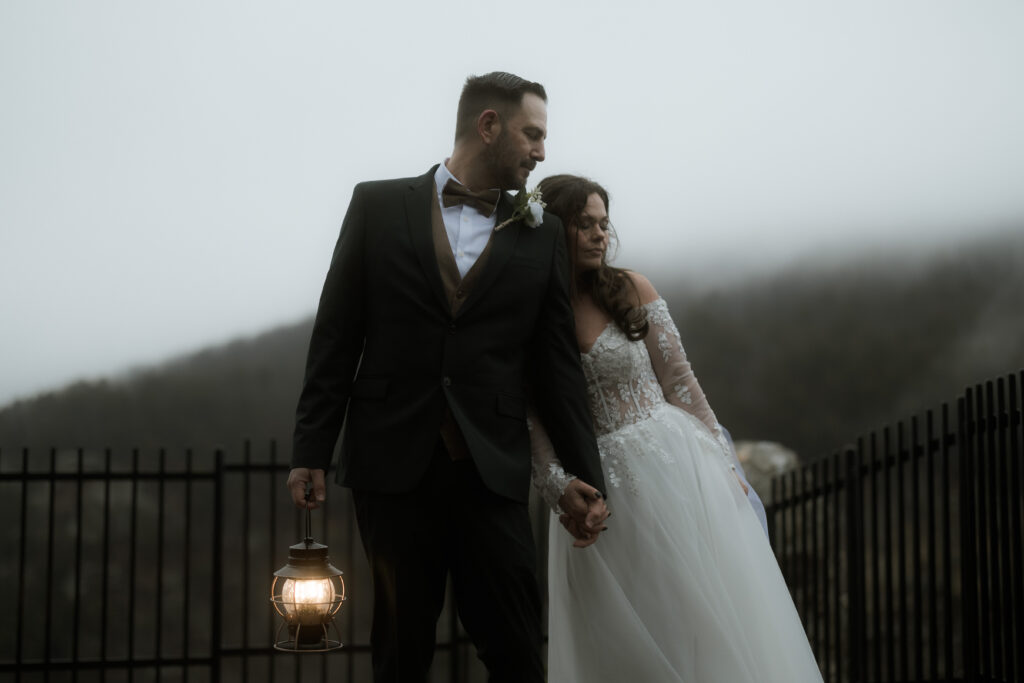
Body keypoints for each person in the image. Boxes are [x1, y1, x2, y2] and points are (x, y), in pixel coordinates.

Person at [284, 74, 609, 682]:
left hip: (491, 467)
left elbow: (556, 368)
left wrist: (584, 473)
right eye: (532, 134)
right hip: (392, 462)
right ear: (488, 126)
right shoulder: (376, 206)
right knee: (400, 651)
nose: (542, 152)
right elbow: (336, 335)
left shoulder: (541, 237)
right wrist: (311, 449)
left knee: (515, 646)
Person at [529, 174, 823, 681]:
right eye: (584, 225)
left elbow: (681, 383)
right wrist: (559, 488)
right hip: (600, 494)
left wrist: (723, 460)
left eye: (604, 224)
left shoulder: (631, 289)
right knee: (625, 639)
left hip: (675, 472)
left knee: (699, 622)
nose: (600, 235)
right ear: (556, 229)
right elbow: (530, 421)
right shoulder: (529, 316)